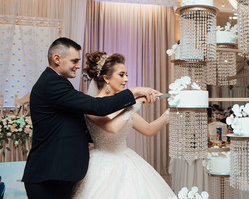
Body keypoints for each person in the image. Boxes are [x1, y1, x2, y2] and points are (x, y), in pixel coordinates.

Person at [22, 38, 160, 199]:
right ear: (57, 59)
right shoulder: (52, 84)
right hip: (48, 176)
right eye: (74, 60)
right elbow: (97, 106)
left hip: (58, 174)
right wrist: (134, 92)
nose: (78, 66)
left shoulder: (57, 82)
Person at [72, 51, 175, 198]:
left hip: (127, 159)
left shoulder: (123, 103)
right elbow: (112, 128)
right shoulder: (92, 105)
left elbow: (148, 129)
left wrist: (170, 112)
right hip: (103, 165)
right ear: (106, 78)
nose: (126, 79)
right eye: (121, 75)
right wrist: (136, 102)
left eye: (126, 75)